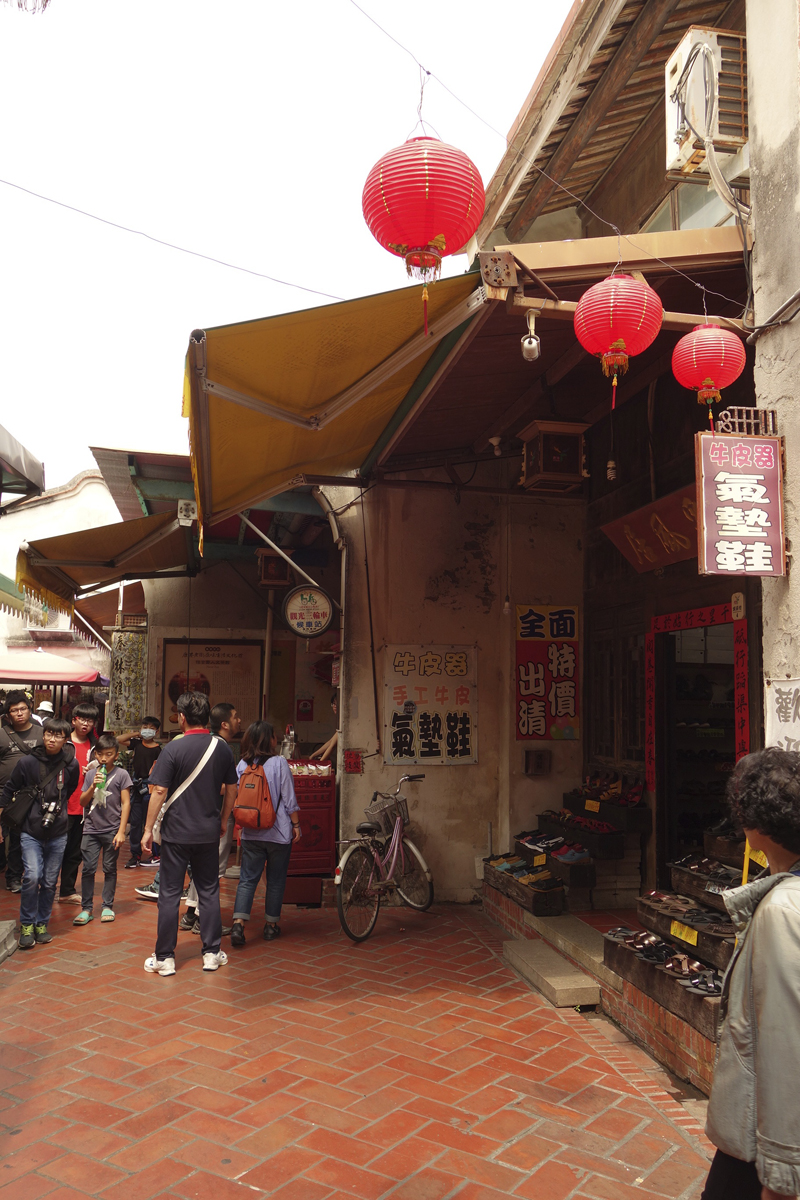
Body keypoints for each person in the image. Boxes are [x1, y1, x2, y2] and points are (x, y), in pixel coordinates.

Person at [703, 747, 800, 1200]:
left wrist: (780, 1176)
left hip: (762, 1142)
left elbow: (785, 1045)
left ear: (756, 828)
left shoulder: (781, 911)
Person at [140, 691, 237, 975]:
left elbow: (159, 790)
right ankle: (211, 953)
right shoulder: (221, 748)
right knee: (208, 890)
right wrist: (222, 819)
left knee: (169, 893)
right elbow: (232, 788)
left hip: (175, 834)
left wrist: (147, 829)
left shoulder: (173, 748)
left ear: (181, 718)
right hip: (208, 832)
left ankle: (165, 958)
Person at [0, 718, 79, 948]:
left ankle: (41, 923)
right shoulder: (27, 762)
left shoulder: (70, 764)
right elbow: (8, 789)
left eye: (58, 735)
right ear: (43, 736)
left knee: (49, 881)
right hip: (30, 831)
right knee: (32, 876)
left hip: (58, 832)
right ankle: (26, 924)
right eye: (48, 734)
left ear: (66, 739)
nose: (52, 739)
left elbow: (70, 790)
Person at [230, 720, 301, 948]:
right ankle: (270, 926)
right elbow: (289, 799)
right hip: (278, 832)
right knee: (276, 880)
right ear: (269, 740)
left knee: (247, 879)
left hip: (251, 832)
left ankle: (239, 923)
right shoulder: (280, 763)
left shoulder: (242, 764)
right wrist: (296, 825)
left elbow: (237, 795)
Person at [181, 701, 242, 935]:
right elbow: (219, 787)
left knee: (203, 867)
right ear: (224, 723)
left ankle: (190, 914)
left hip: (198, 817)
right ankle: (202, 919)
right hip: (215, 815)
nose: (239, 720)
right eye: (235, 717)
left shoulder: (204, 743)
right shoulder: (222, 748)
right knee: (213, 870)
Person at [73, 733, 131, 926]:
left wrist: (121, 831)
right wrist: (92, 786)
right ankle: (87, 908)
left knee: (109, 868)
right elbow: (82, 801)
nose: (104, 758)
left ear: (116, 754)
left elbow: (126, 803)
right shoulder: (90, 774)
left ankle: (107, 906)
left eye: (109, 754)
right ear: (95, 755)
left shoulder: (122, 774)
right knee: (88, 869)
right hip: (90, 828)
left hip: (112, 829)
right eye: (101, 754)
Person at [0, 692, 44, 894]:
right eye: (14, 710)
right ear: (8, 714)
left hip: (36, 794)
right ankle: (13, 877)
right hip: (9, 795)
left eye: (22, 708)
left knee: (37, 835)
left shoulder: (41, 732)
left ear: (30, 708)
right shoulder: (2, 734)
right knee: (14, 839)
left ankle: (36, 875)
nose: (19, 713)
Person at [57, 702, 98, 904]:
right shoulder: (64, 742)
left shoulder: (95, 745)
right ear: (74, 720)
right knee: (56, 849)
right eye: (82, 719)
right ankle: (47, 886)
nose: (86, 724)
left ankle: (66, 891)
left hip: (84, 806)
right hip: (63, 803)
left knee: (74, 851)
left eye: (90, 721)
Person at [116, 718, 162, 868]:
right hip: (136, 786)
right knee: (135, 823)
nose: (147, 729)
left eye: (151, 727)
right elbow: (119, 739)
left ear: (157, 731)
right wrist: (137, 733)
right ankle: (135, 855)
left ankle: (156, 854)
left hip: (151, 788)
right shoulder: (136, 744)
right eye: (145, 726)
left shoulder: (158, 749)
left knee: (152, 822)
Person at [309, 692, 338, 762]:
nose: (335, 706)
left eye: (337, 703)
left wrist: (320, 763)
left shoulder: (343, 721)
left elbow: (332, 746)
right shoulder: (340, 719)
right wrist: (313, 755)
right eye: (333, 703)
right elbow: (331, 742)